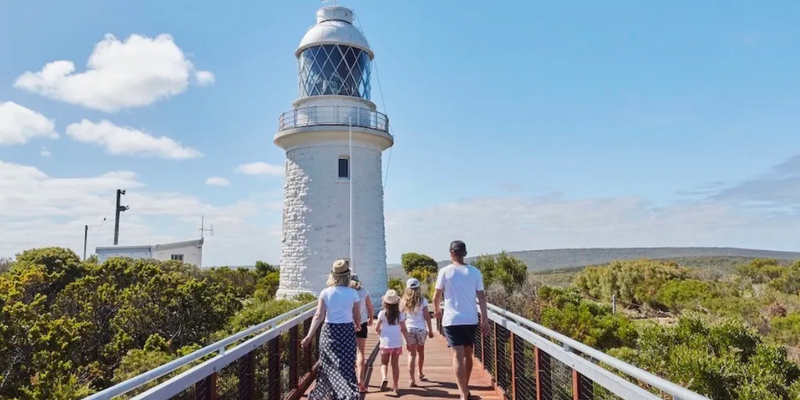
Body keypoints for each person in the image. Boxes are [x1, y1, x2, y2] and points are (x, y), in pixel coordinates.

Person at [434, 240, 489, 400]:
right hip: (470, 319)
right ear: (465, 253)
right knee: (468, 355)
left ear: (451, 253)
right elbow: (482, 298)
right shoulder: (475, 272)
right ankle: (465, 389)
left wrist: (437, 310)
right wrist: (485, 320)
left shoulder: (444, 271)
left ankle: (462, 392)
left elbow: (437, 295)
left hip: (451, 320)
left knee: (457, 356)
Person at [301, 259, 361, 400]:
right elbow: (356, 315)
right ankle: (347, 394)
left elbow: (318, 315)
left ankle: (326, 395)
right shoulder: (353, 293)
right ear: (347, 276)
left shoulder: (325, 292)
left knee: (328, 367)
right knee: (345, 366)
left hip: (329, 332)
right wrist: (358, 325)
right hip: (346, 331)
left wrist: (309, 336)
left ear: (333, 276)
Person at [400, 277, 434, 387]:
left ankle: (411, 379)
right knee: (420, 352)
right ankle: (420, 372)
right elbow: (427, 316)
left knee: (411, 354)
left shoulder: (404, 301)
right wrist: (430, 330)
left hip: (409, 328)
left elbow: (400, 316)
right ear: (418, 288)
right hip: (421, 329)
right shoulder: (423, 301)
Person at [375, 289, 410, 394]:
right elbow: (404, 329)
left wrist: (382, 334)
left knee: (384, 363)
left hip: (385, 342)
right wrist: (408, 342)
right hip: (397, 342)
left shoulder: (382, 314)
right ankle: (395, 387)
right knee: (395, 364)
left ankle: (384, 377)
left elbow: (377, 328)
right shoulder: (400, 315)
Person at [350, 273, 374, 393]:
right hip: (362, 323)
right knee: (361, 352)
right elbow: (370, 307)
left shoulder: (347, 292)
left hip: (348, 324)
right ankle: (361, 382)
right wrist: (370, 318)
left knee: (349, 353)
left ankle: (349, 382)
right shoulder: (364, 292)